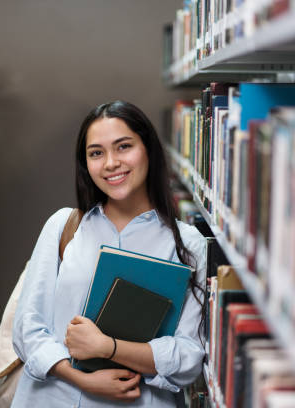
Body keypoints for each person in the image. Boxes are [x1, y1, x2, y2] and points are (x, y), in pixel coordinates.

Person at [11, 100, 206, 407]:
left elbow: (187, 356)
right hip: (54, 398)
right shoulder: (64, 226)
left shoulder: (186, 243)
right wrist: (82, 379)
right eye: (96, 153)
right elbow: (28, 328)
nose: (111, 163)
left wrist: (107, 347)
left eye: (124, 146)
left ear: (149, 150)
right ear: (85, 164)